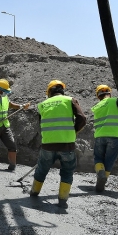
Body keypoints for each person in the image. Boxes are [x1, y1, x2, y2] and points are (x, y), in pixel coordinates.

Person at [30, 80, 86, 208]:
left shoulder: (42, 104)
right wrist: (74, 130)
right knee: (67, 171)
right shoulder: (70, 100)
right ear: (62, 90)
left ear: (49, 92)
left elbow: (40, 124)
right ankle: (62, 200)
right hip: (67, 144)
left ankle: (34, 192)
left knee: (42, 168)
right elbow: (82, 118)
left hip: (48, 144)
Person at [90, 84, 118, 193]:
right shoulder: (116, 100)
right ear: (109, 93)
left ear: (98, 96)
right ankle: (102, 182)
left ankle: (100, 173)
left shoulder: (96, 107)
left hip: (100, 136)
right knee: (109, 160)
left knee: (98, 158)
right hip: (115, 137)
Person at [0, 79, 30, 171]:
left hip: (4, 126)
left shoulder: (4, 97)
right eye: (5, 91)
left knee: (12, 145)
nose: (6, 93)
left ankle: (12, 167)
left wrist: (21, 106)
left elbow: (10, 105)